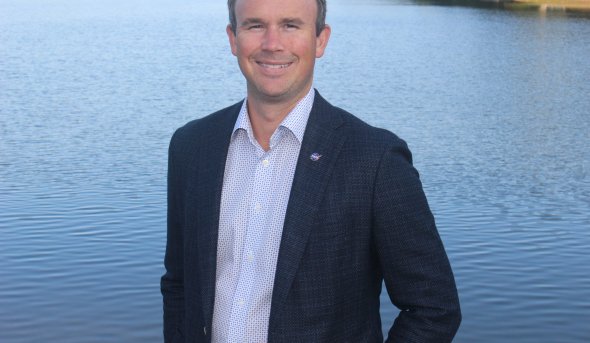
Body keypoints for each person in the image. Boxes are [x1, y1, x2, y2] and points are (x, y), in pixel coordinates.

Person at [161, 0, 461, 341]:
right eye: (255, 25)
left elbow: (434, 309)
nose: (272, 43)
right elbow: (178, 284)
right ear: (233, 38)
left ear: (320, 40)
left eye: (291, 25)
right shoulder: (191, 147)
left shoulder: (374, 160)